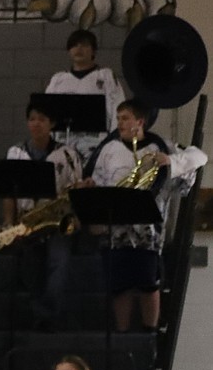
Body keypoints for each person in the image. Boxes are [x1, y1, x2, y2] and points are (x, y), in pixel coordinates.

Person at [83, 99, 208, 332]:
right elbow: (98, 180)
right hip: (116, 229)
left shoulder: (160, 147)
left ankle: (149, 331)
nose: (119, 123)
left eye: (125, 118)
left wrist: (170, 160)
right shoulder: (108, 150)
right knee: (120, 286)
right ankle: (121, 333)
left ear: (139, 122)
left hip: (147, 231)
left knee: (148, 283)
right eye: (118, 118)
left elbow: (199, 158)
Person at [4, 102, 85, 331]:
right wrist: (8, 223)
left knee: (59, 264)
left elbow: (76, 191)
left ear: (52, 124)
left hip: (58, 220)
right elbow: (8, 192)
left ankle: (48, 315)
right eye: (31, 119)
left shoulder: (67, 154)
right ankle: (36, 312)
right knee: (29, 268)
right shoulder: (16, 153)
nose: (35, 124)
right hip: (27, 221)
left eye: (41, 119)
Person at [45, 29, 126, 159]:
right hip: (64, 143)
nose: (79, 48)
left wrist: (112, 143)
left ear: (93, 51)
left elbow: (119, 108)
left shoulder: (106, 76)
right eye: (74, 45)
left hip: (97, 144)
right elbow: (46, 114)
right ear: (69, 50)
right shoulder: (58, 80)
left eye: (84, 45)